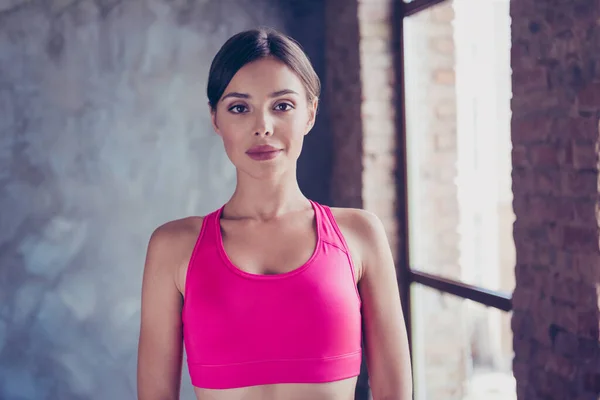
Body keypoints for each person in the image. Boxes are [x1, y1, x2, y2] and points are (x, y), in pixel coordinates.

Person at [137, 27, 412, 400]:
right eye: (239, 108)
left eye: (282, 106)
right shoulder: (172, 247)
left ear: (310, 114)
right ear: (215, 119)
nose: (262, 126)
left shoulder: (360, 235)